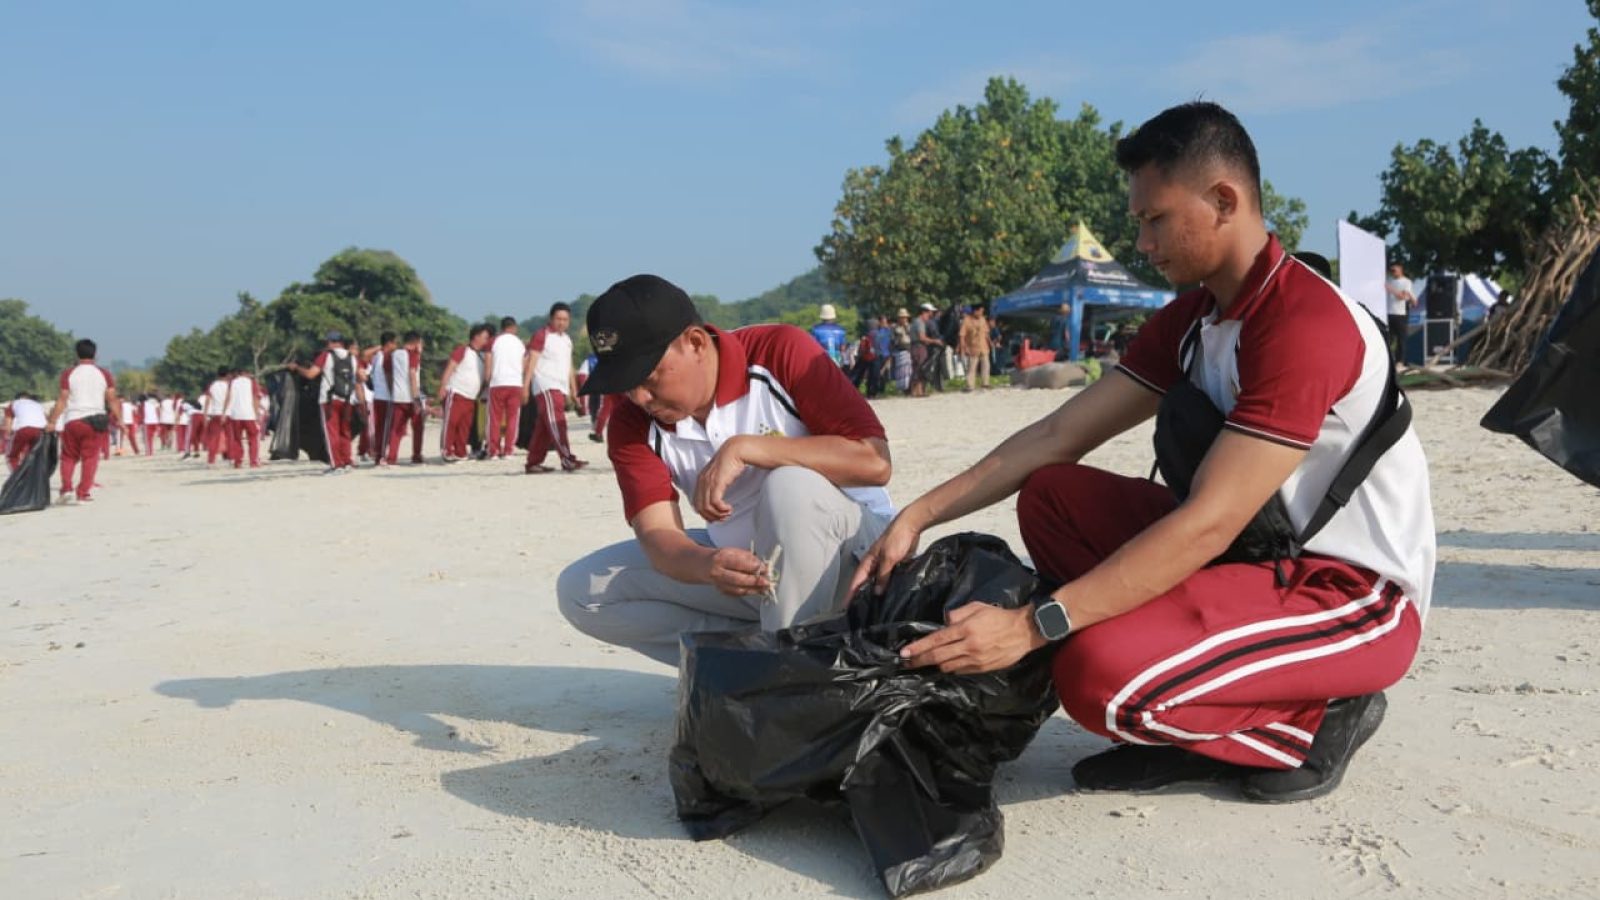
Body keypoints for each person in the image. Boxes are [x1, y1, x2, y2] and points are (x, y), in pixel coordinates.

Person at [852, 101, 1435, 804]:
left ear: (1225, 201)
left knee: (1094, 678)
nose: (1142, 241)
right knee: (1052, 496)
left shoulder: (1302, 322)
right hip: (1257, 558)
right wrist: (920, 512)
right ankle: (1187, 691)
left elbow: (1210, 521)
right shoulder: (1194, 319)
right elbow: (1054, 437)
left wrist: (1035, 627)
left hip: (1348, 595)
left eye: (1154, 219)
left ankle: (1315, 719)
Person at [556, 274, 895, 666]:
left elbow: (874, 462)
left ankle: (786, 679)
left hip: (857, 567)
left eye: (647, 378)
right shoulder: (632, 422)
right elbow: (658, 535)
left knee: (790, 486)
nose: (639, 398)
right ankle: (750, 662)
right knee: (584, 590)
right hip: (755, 578)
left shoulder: (779, 351)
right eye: (625, 384)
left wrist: (749, 448)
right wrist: (707, 566)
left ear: (696, 343)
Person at [46, 339, 118, 504]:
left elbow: (62, 400)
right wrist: (120, 420)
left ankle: (66, 489)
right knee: (90, 458)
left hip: (73, 420)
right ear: (95, 354)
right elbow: (112, 399)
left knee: (68, 457)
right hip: (95, 421)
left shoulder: (69, 373)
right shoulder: (104, 374)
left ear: (77, 354)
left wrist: (52, 421)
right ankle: (83, 493)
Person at [521, 302, 586, 473]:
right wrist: (525, 387)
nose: (562, 322)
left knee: (543, 427)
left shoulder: (566, 340)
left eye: (565, 319)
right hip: (546, 385)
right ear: (551, 319)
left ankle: (533, 462)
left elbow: (569, 366)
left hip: (560, 386)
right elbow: (531, 362)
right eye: (558, 319)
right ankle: (567, 459)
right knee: (558, 422)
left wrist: (574, 390)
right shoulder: (542, 335)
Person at [290, 331, 358, 472]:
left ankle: (336, 464)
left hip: (329, 400)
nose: (326, 344)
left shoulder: (326, 355)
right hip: (348, 400)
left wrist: (297, 368)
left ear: (332, 342)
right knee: (345, 432)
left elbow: (311, 374)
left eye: (328, 342)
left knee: (331, 432)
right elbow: (357, 378)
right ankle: (347, 462)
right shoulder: (352, 358)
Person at [438, 324, 490, 462]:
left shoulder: (481, 357)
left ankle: (461, 452)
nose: (486, 341)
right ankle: (446, 450)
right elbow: (451, 367)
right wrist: (442, 386)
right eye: (485, 337)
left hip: (471, 397)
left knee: (464, 426)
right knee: (452, 422)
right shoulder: (463, 350)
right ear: (476, 336)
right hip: (456, 391)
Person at [484, 317, 524, 459]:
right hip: (515, 383)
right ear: (514, 327)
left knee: (494, 418)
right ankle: (508, 450)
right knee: (513, 418)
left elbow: (488, 362)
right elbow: (523, 364)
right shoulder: (520, 343)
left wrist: (487, 379)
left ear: (502, 328)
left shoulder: (493, 341)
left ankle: (493, 450)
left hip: (498, 382)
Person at [384, 331, 425, 465]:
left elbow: (388, 373)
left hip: (398, 397)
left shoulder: (394, 354)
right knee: (418, 426)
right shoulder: (413, 355)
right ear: (416, 343)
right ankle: (416, 455)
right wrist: (416, 398)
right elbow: (412, 374)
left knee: (396, 429)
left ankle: (392, 457)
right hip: (410, 397)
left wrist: (392, 391)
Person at [363, 331, 397, 463]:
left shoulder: (377, 356)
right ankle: (381, 456)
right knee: (385, 428)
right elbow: (389, 377)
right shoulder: (385, 356)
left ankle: (379, 454)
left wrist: (380, 347)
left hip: (377, 397)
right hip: (385, 397)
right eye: (394, 343)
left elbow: (365, 354)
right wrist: (392, 394)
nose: (396, 346)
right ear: (390, 343)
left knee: (380, 428)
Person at [222, 367, 264, 469]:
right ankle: (253, 461)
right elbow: (255, 398)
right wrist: (257, 413)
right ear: (246, 373)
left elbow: (228, 397)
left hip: (236, 415)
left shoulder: (233, 383)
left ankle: (238, 462)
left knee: (237, 439)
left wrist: (224, 412)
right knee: (253, 438)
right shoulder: (252, 382)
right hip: (249, 414)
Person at [5, 392, 47, 472]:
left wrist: (9, 435)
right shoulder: (37, 404)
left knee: (12, 456)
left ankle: (17, 476)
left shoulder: (13, 403)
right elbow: (45, 418)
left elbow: (8, 424)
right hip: (41, 430)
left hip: (24, 429)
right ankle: (33, 474)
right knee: (33, 454)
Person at [1385, 264, 1416, 363]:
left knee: (1401, 339)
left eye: (1395, 270)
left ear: (1400, 270)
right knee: (1389, 339)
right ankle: (1389, 360)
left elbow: (1403, 297)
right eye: (1391, 270)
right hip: (1389, 313)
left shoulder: (1406, 282)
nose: (1393, 272)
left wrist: (1391, 290)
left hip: (1400, 314)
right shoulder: (1389, 281)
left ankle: (1400, 361)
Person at [959, 305, 992, 391]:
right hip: (972, 348)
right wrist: (963, 347)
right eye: (981, 311)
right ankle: (970, 385)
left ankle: (985, 383)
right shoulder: (966, 320)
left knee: (986, 365)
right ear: (975, 311)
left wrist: (990, 342)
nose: (982, 313)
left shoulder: (983, 319)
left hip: (984, 347)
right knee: (972, 367)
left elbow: (986, 332)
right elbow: (962, 335)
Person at [202, 368, 230, 466]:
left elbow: (208, 400)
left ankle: (211, 460)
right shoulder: (228, 386)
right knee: (229, 436)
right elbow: (228, 398)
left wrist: (205, 414)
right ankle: (228, 457)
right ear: (227, 375)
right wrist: (224, 412)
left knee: (214, 438)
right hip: (227, 414)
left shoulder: (213, 385)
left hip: (215, 414)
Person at [891, 309, 914, 393]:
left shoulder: (910, 326)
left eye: (905, 317)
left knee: (909, 370)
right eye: (902, 317)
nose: (904, 319)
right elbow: (893, 339)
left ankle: (909, 388)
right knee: (901, 371)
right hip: (899, 350)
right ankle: (902, 388)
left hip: (908, 349)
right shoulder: (895, 327)